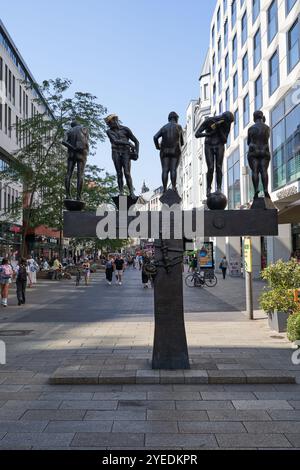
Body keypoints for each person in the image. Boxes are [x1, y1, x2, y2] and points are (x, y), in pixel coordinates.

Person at [195, 112, 234, 197]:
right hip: (209, 145)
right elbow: (197, 134)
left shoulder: (226, 124)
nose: (228, 124)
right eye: (228, 122)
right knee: (211, 167)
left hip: (219, 145)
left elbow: (224, 140)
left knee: (219, 167)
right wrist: (208, 134)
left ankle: (219, 188)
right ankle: (208, 189)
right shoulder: (209, 120)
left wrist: (219, 128)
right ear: (224, 118)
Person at [105, 114, 139, 199]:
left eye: (109, 123)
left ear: (115, 120)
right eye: (108, 124)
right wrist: (128, 143)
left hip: (126, 152)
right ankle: (121, 192)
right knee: (119, 173)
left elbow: (136, 141)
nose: (108, 125)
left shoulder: (125, 129)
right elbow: (115, 141)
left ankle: (131, 192)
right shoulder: (109, 131)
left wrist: (137, 153)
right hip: (116, 151)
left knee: (127, 173)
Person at [153, 112, 184, 194]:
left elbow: (155, 137)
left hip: (164, 151)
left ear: (169, 118)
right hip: (175, 151)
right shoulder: (179, 127)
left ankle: (164, 189)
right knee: (173, 169)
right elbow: (182, 142)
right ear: (175, 118)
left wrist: (157, 147)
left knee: (165, 170)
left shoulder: (164, 128)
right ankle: (173, 188)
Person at [63, 119, 89, 201]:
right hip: (81, 154)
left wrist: (72, 147)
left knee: (68, 174)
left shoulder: (68, 131)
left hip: (71, 154)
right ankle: (78, 196)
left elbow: (63, 141)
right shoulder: (83, 128)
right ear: (78, 124)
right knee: (80, 175)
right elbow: (86, 142)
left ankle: (68, 195)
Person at [247, 110, 271, 199]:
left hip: (254, 151)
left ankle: (256, 189)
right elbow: (266, 137)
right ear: (262, 117)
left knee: (255, 171)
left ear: (254, 117)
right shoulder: (267, 128)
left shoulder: (251, 128)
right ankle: (265, 189)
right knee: (264, 170)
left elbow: (248, 142)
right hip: (264, 150)